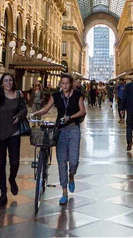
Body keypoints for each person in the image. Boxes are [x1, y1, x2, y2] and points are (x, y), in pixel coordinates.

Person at [35, 73, 86, 206]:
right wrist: (37, 113)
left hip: (74, 129)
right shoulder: (56, 96)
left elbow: (83, 111)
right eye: (62, 83)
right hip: (60, 131)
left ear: (71, 84)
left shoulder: (77, 95)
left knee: (74, 161)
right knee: (62, 162)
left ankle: (71, 176)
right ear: (60, 84)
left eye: (67, 83)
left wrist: (70, 117)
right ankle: (64, 192)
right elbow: (46, 109)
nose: (65, 86)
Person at [0, 73, 28, 208]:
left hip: (14, 132)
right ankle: (3, 193)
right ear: (2, 83)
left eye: (10, 80)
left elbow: (25, 109)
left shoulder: (19, 94)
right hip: (1, 133)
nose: (8, 83)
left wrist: (20, 115)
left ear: (13, 82)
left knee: (15, 161)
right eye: (6, 81)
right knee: (1, 163)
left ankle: (12, 178)